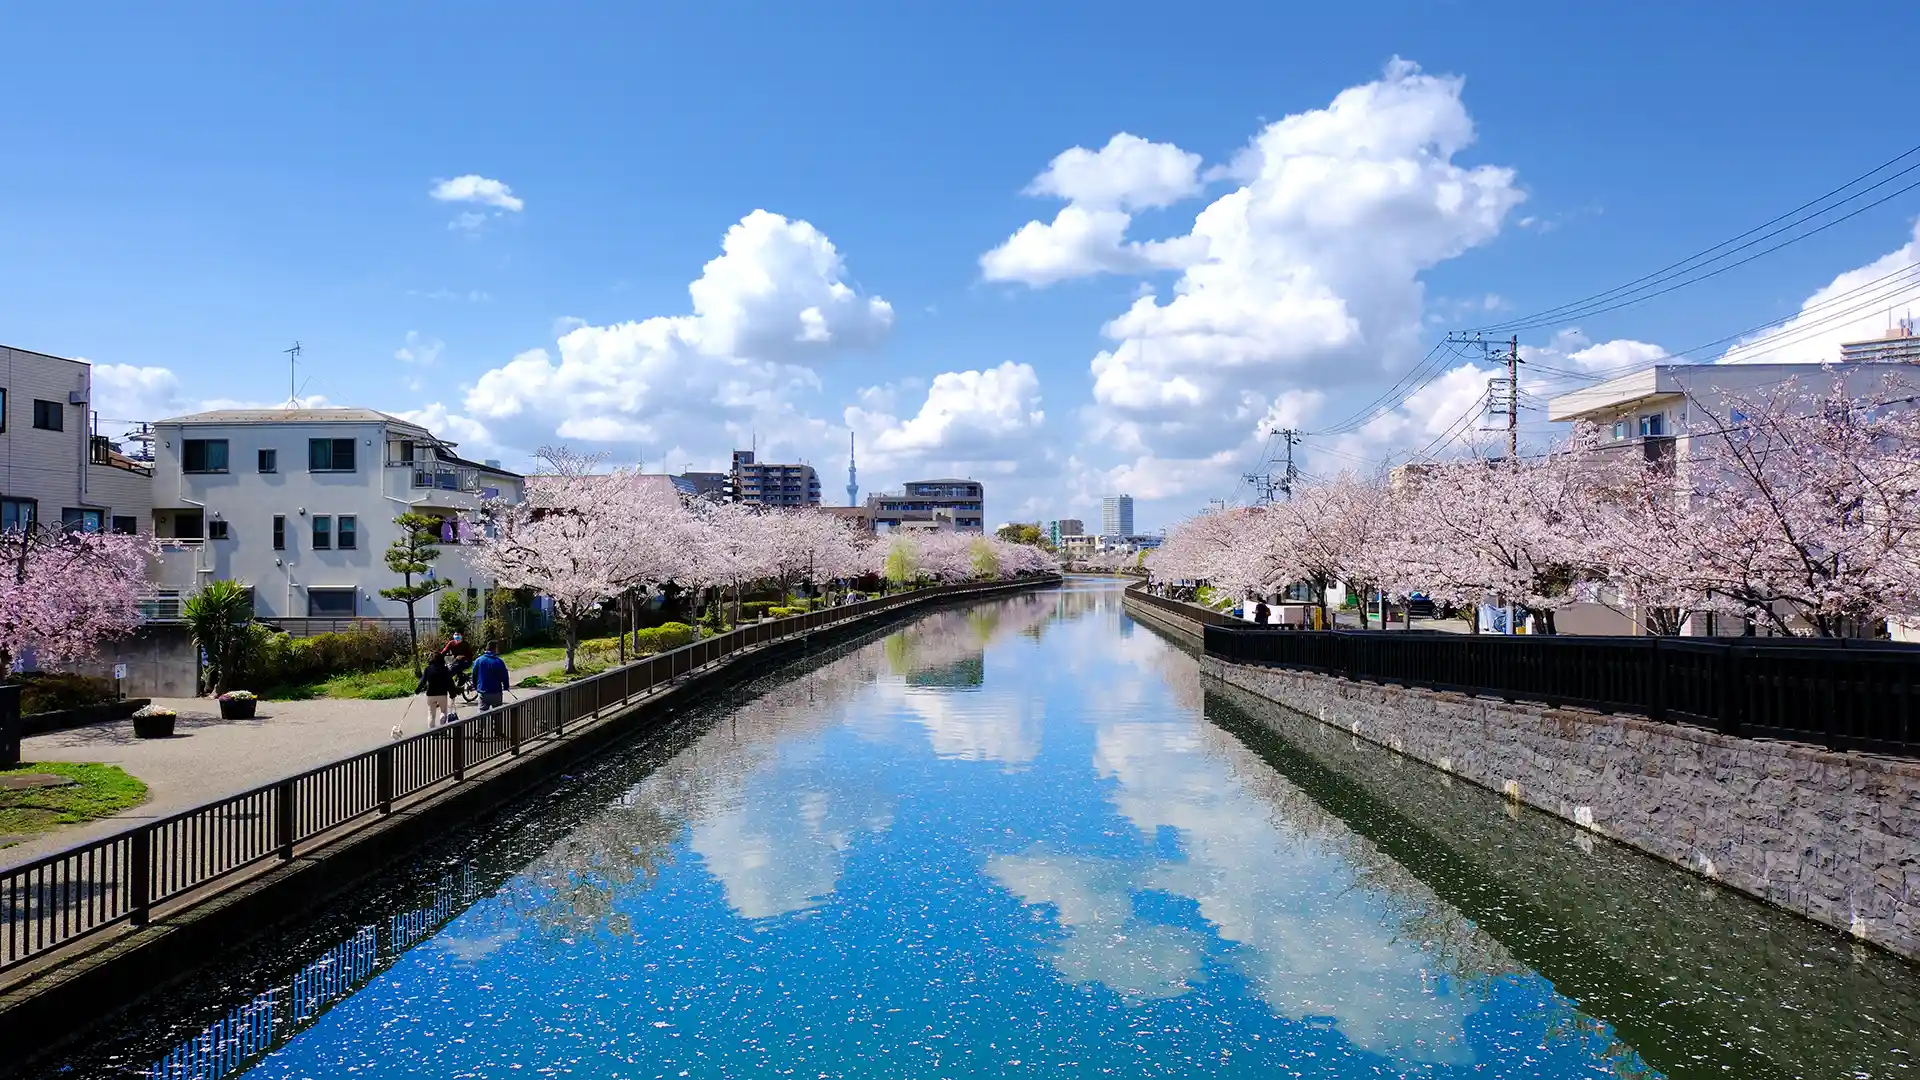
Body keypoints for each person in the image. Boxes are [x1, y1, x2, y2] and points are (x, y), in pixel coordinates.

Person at [473, 639, 509, 717]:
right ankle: (497, 729)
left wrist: (476, 686)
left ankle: (481, 729)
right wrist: (506, 686)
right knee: (497, 716)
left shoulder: (478, 660)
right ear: (495, 649)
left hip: (483, 692)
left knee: (482, 714)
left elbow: (474, 675)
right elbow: (504, 676)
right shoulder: (499, 661)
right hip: (496, 692)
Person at [417, 652, 454, 726]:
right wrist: (452, 693)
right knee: (443, 711)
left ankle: (432, 733)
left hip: (431, 694)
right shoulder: (445, 669)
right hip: (442, 694)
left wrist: (418, 689)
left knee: (431, 714)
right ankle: (442, 720)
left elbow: (423, 681)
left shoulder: (428, 669)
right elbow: (450, 682)